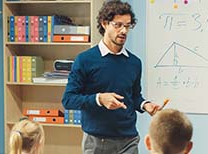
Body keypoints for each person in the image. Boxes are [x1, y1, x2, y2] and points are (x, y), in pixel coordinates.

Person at [61, 0, 162, 153]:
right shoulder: (85, 60)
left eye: (127, 26)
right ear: (104, 23)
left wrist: (145, 105)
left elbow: (133, 96)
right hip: (96, 142)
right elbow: (68, 100)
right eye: (118, 25)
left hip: (129, 140)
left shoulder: (134, 62)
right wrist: (99, 99)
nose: (124, 31)